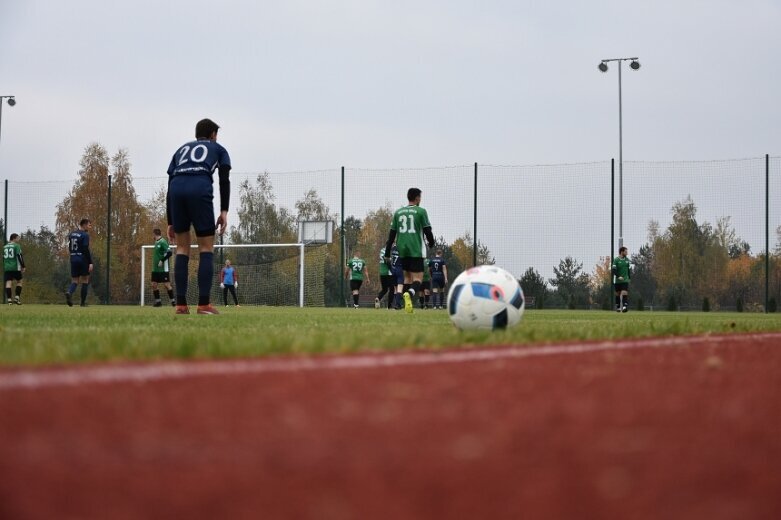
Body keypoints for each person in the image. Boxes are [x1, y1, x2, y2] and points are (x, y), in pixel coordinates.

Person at [167, 118, 231, 315]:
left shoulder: (181, 150)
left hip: (177, 191)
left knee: (182, 248)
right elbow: (224, 179)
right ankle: (203, 305)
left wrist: (170, 219)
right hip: (199, 188)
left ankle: (181, 305)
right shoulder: (218, 148)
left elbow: (170, 183)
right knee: (206, 247)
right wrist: (224, 211)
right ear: (213, 135)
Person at [384, 188, 436, 314]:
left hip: (402, 250)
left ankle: (399, 303)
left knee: (407, 278)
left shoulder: (398, 212)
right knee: (418, 279)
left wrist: (387, 253)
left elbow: (391, 236)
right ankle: (409, 294)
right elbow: (428, 231)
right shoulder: (421, 211)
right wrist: (432, 243)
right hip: (416, 250)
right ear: (417, 198)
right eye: (420, 197)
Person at [66, 218, 93, 307]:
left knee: (75, 280)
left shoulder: (72, 234)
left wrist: (73, 255)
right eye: (89, 225)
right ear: (84, 225)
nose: (90, 227)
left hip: (73, 259)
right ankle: (82, 303)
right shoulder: (85, 235)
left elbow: (70, 247)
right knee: (85, 280)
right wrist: (90, 262)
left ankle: (69, 292)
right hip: (82, 259)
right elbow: (85, 248)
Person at [151, 228, 175, 307]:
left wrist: (162, 260)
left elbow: (169, 253)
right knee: (154, 284)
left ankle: (173, 302)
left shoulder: (163, 242)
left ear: (154, 234)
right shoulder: (156, 242)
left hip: (163, 268)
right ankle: (158, 302)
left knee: (166, 285)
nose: (152, 236)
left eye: (153, 234)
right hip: (155, 269)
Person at [3, 233, 25, 305]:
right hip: (15, 267)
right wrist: (23, 266)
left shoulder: (5, 247)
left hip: (7, 268)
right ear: (14, 238)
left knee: (8, 283)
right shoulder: (16, 246)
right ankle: (17, 298)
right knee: (20, 281)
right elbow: (19, 256)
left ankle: (9, 300)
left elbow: (4, 258)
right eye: (18, 238)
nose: (19, 239)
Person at [612, 246, 631, 313]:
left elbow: (628, 270)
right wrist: (618, 276)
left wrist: (629, 278)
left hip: (625, 280)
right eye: (626, 251)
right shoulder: (616, 260)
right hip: (617, 281)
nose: (627, 253)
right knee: (618, 294)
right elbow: (613, 270)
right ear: (622, 252)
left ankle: (625, 307)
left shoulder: (627, 260)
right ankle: (618, 307)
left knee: (624, 292)